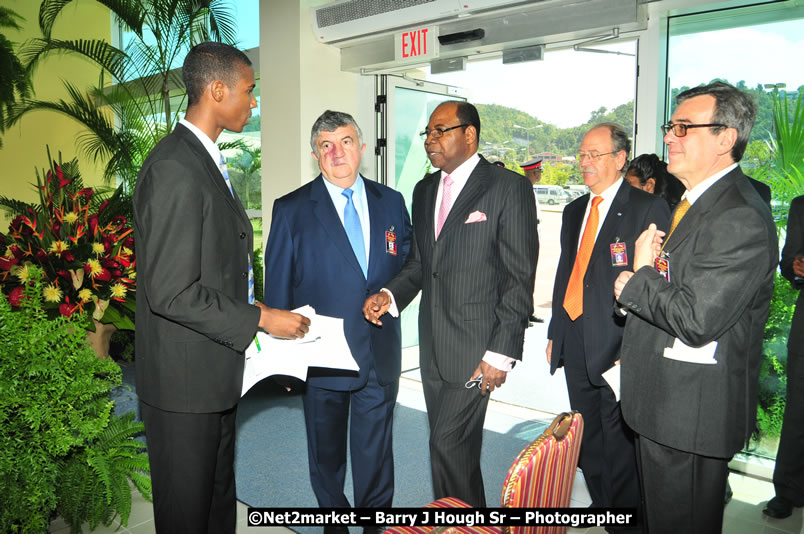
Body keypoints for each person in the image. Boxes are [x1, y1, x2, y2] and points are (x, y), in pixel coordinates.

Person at [133, 42, 310, 533]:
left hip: (213, 373)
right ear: (216, 90)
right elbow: (171, 291)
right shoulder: (174, 167)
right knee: (187, 516)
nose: (253, 101)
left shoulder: (204, 158)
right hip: (184, 385)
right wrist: (261, 318)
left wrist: (255, 306)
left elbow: (210, 266)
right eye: (249, 91)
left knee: (215, 507)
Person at [614, 81, 778, 534]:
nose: (670, 137)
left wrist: (638, 277)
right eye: (671, 127)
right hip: (665, 403)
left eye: (684, 128)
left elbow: (697, 318)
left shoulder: (738, 215)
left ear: (725, 139)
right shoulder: (695, 202)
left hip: (689, 413)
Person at [362, 100, 538, 507]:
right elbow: (420, 264)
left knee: (446, 442)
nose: (430, 140)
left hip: (478, 350)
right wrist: (390, 295)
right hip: (433, 347)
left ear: (469, 135)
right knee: (456, 451)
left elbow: (518, 278)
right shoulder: (424, 190)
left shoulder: (508, 187)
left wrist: (501, 351)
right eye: (427, 132)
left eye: (440, 131)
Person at [263, 110, 412, 531]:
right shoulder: (291, 209)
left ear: (361, 148)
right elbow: (278, 290)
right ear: (315, 155)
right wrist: (284, 361)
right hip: (321, 358)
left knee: (375, 455)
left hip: (379, 352)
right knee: (326, 457)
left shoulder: (391, 202)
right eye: (325, 145)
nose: (337, 152)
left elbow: (410, 266)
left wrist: (389, 295)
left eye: (345, 142)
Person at [546, 124, 670, 524]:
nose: (585, 162)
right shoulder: (574, 210)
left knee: (620, 446)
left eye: (594, 155)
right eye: (582, 155)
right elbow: (567, 274)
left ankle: (627, 520)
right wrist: (556, 332)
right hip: (575, 337)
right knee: (587, 439)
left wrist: (638, 347)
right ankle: (603, 507)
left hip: (619, 344)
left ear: (619, 159)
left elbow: (657, 282)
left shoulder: (647, 207)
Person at [764, 195, 804, 519]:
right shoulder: (801, 206)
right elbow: (788, 262)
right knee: (798, 412)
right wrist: (795, 267)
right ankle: (788, 490)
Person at [521, 156, 544, 324]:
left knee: (530, 275)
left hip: (533, 233)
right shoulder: (523, 189)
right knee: (523, 276)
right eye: (539, 172)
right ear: (534, 173)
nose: (540, 175)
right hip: (526, 236)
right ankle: (522, 313)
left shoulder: (529, 188)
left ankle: (529, 310)